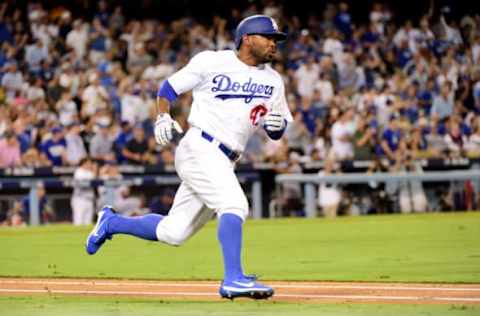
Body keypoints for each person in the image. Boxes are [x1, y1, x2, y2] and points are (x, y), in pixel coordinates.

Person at [86, 15, 291, 300]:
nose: (273, 43)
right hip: (200, 147)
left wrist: (277, 126)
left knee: (174, 232)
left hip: (226, 159)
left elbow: (278, 130)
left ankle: (111, 223)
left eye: (276, 39)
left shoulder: (273, 81)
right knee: (234, 204)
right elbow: (168, 89)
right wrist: (162, 115)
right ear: (247, 38)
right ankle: (233, 279)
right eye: (268, 37)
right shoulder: (212, 61)